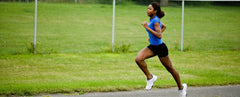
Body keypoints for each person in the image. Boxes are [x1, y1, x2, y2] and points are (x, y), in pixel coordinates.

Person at [135, 2, 187, 97]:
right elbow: (164, 27)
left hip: (160, 48)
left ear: (155, 11)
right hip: (153, 47)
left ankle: (181, 88)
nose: (147, 10)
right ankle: (150, 77)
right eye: (147, 8)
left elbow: (159, 35)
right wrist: (151, 37)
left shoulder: (155, 21)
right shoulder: (153, 19)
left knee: (170, 68)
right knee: (138, 59)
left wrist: (147, 28)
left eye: (150, 9)